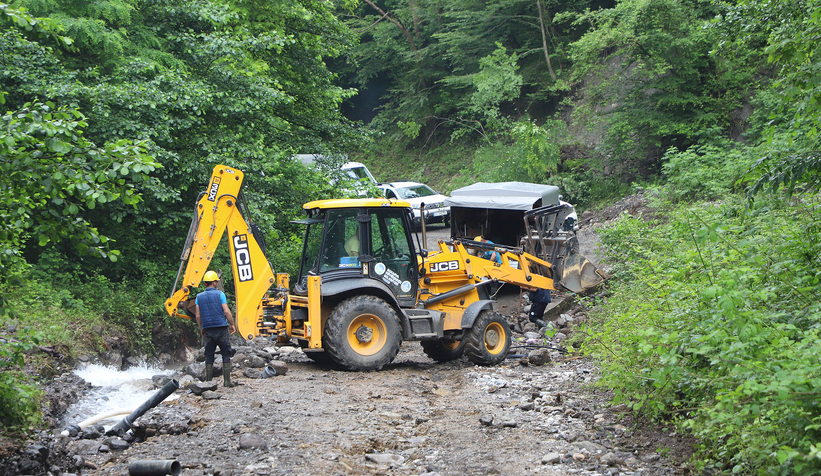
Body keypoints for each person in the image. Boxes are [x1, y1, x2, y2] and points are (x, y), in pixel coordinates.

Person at [195, 270, 238, 387]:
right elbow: (226, 311)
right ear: (214, 282)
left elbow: (198, 315)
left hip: (208, 329)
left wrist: (201, 328)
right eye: (216, 281)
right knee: (225, 353)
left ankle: (208, 382)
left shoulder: (199, 297)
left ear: (205, 283)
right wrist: (232, 323)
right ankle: (227, 382)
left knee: (209, 354)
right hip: (221, 328)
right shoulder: (220, 294)